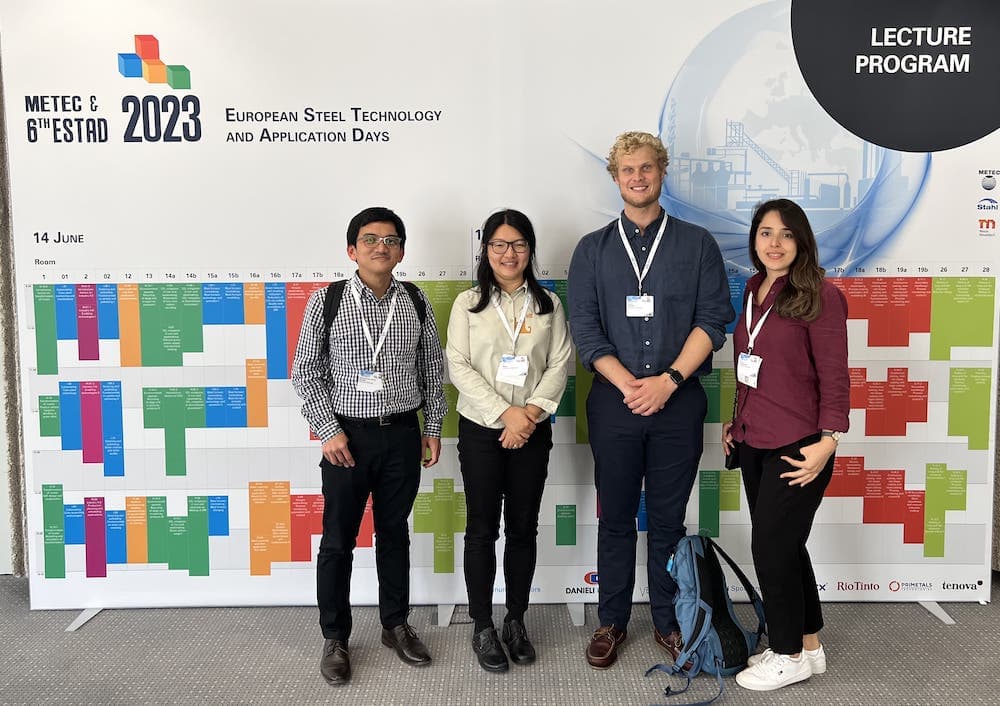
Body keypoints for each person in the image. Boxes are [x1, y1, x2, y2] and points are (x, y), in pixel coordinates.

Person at [567, 132, 735, 670]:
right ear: (614, 178)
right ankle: (612, 621)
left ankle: (669, 621)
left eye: (646, 168)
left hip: (678, 401)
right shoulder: (591, 249)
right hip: (614, 403)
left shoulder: (698, 244)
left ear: (662, 173)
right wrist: (629, 384)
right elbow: (586, 330)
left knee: (667, 519)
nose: (637, 177)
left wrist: (667, 380)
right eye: (626, 170)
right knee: (615, 518)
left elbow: (714, 321)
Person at [291, 206, 447, 687]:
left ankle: (395, 624)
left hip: (401, 432)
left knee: (394, 532)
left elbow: (433, 370)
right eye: (371, 238)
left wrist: (433, 425)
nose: (383, 246)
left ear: (402, 249)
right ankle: (335, 636)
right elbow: (305, 371)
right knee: (338, 540)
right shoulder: (328, 300)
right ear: (352, 249)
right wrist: (328, 428)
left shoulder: (416, 301)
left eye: (392, 239)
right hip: (346, 437)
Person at [722, 198, 849, 692]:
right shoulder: (755, 288)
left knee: (770, 548)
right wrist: (736, 421)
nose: (774, 244)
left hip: (800, 444)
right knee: (787, 546)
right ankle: (810, 644)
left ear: (802, 241)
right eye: (765, 233)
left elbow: (835, 375)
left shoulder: (820, 294)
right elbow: (752, 365)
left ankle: (787, 653)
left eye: (786, 234)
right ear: (755, 241)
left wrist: (828, 440)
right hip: (755, 437)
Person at [446, 209, 572, 673]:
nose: (508, 253)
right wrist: (506, 414)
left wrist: (530, 415)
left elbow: (560, 363)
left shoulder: (548, 305)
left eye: (518, 244)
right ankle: (482, 625)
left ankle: (516, 620)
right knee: (482, 528)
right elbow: (457, 364)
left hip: (533, 431)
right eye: (499, 244)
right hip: (481, 429)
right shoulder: (469, 303)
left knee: (523, 528)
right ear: (486, 250)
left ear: (530, 250)